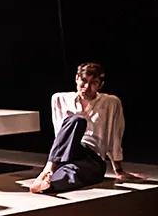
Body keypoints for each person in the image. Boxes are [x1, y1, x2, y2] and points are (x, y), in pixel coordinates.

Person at [29, 63, 146, 193]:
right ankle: (48, 169)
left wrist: (118, 169)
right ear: (77, 78)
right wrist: (57, 160)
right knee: (77, 120)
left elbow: (115, 135)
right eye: (84, 81)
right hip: (68, 152)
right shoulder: (59, 98)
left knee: (75, 173)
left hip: (92, 156)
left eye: (93, 83)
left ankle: (49, 184)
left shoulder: (111, 102)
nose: (87, 87)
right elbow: (60, 132)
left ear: (100, 85)